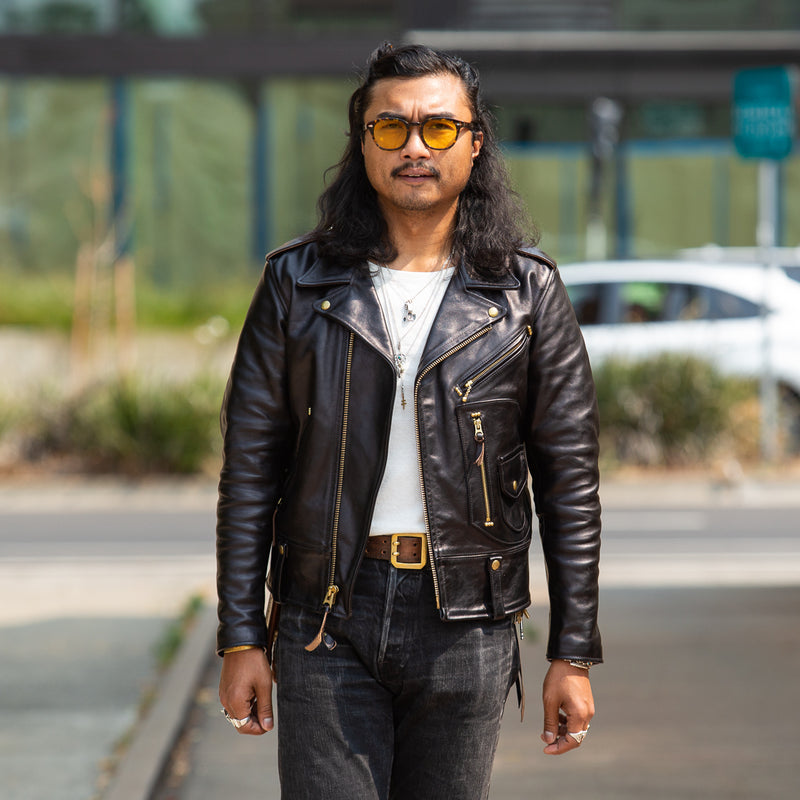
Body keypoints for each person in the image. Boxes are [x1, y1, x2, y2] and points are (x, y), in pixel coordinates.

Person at [216, 42, 602, 800]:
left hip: (468, 622)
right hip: (325, 617)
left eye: (439, 127)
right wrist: (240, 637)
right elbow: (250, 473)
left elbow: (571, 486)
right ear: (363, 143)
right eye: (391, 128)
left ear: (475, 141)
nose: (415, 147)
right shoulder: (296, 283)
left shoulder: (526, 293)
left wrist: (574, 653)